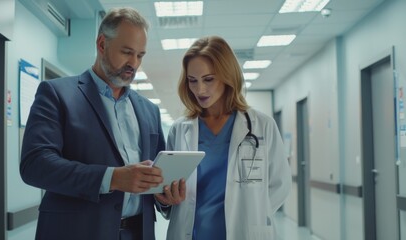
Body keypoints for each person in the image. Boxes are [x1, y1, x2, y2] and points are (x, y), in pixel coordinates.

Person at [20, 7, 184, 240]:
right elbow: (35, 165)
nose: (134, 63)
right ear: (101, 44)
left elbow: (156, 176)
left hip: (138, 233)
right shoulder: (57, 94)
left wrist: (164, 196)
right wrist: (112, 178)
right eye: (127, 52)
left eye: (140, 55)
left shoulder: (149, 110)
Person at [161, 36, 292, 240]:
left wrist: (252, 214)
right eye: (192, 81)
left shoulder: (261, 126)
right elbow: (168, 194)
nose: (200, 89)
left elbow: (280, 184)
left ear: (227, 76)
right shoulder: (180, 130)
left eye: (209, 79)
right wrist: (166, 198)